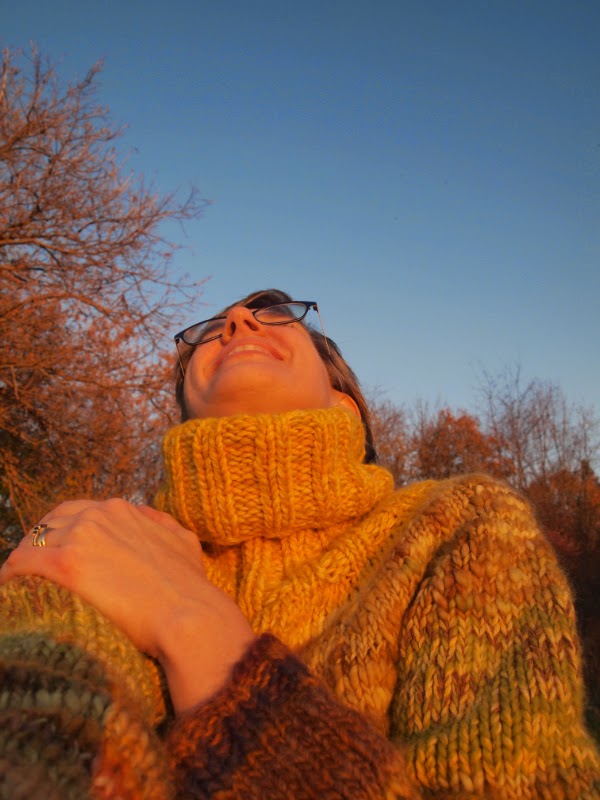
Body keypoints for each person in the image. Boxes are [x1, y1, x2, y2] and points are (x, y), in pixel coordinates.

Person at [0, 288, 599, 799]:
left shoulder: (458, 526)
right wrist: (35, 554)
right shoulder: (109, 537)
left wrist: (194, 627)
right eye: (211, 329)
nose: (238, 320)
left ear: (345, 402)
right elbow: (40, 722)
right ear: (184, 412)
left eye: (278, 315)